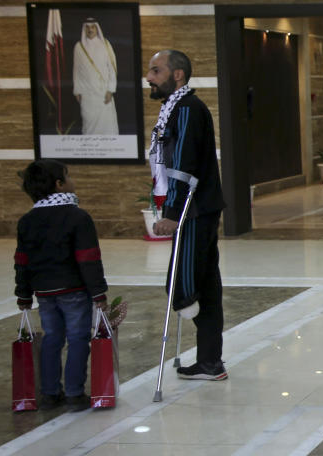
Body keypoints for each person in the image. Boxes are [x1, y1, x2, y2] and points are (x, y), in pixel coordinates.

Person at [147, 49, 227, 381]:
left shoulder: (186, 110)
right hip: (199, 210)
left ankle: (209, 358)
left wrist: (172, 212)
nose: (149, 77)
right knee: (205, 285)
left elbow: (181, 167)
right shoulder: (176, 108)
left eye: (156, 70)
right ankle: (210, 362)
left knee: (183, 284)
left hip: (193, 211)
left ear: (177, 75)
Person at [14, 159, 108, 412]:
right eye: (68, 176)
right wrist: (98, 292)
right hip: (74, 291)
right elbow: (88, 258)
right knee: (78, 339)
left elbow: (21, 261)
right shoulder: (78, 217)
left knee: (52, 338)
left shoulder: (27, 220)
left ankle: (49, 393)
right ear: (59, 184)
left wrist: (23, 294)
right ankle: (75, 394)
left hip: (43, 292)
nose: (72, 180)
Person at [73, 18, 119, 135]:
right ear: (84, 29)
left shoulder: (106, 45)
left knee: (107, 125)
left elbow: (112, 69)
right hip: (87, 95)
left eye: (92, 27)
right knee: (89, 127)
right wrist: (77, 91)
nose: (90, 30)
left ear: (97, 29)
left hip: (103, 92)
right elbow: (76, 70)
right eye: (87, 27)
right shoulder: (79, 47)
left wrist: (110, 90)